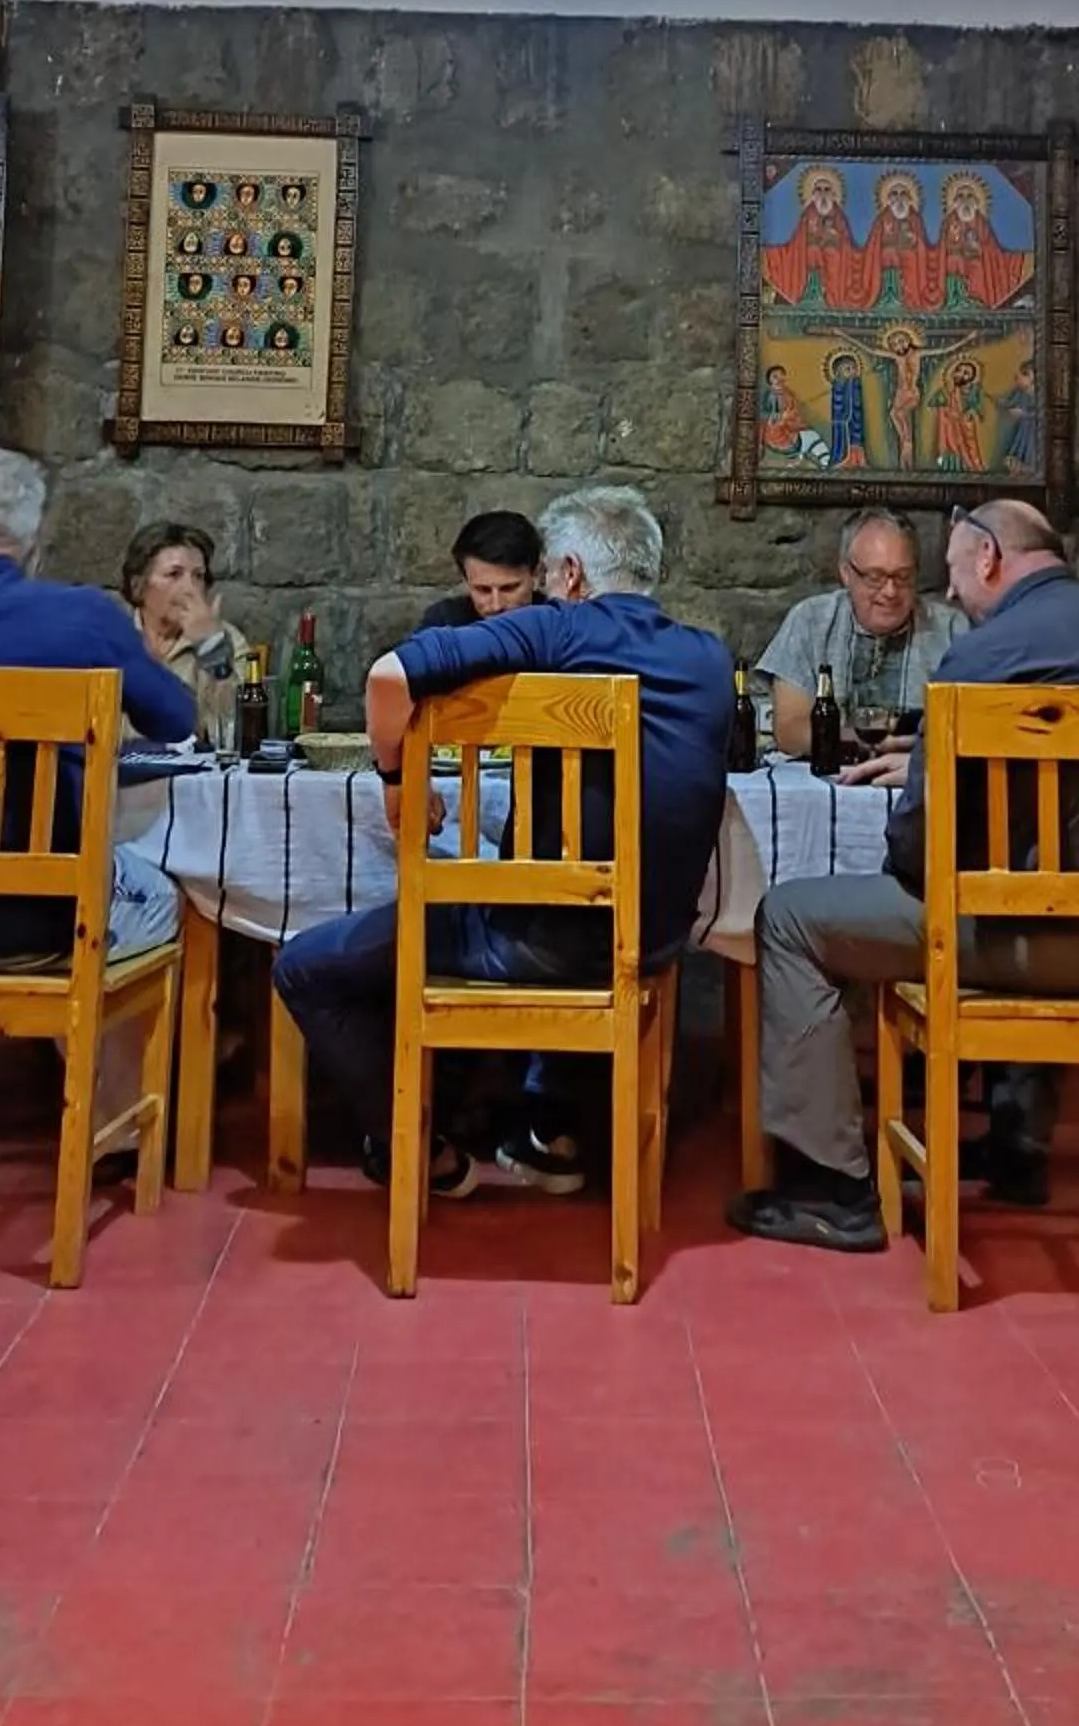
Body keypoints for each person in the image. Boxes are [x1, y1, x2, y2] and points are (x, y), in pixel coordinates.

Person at [730, 499, 1079, 1254]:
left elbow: (919, 851)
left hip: (1051, 950)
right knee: (1039, 877)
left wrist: (918, 815)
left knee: (790, 918)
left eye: (949, 574)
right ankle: (1018, 1147)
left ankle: (832, 1187)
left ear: (988, 559)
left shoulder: (988, 655)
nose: (947, 595)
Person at [274, 484, 734, 1200]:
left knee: (304, 967)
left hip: (543, 942)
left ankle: (420, 1151)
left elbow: (388, 676)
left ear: (572, 575)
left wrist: (396, 779)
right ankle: (541, 1129)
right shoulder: (710, 658)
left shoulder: (561, 633)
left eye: (548, 574)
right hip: (653, 940)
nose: (546, 587)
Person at [0, 451, 193, 1163]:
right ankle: (111, 1132)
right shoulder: (84, 618)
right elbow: (177, 719)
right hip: (44, 926)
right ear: (36, 538)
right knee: (162, 893)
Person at [758, 508, 964, 772]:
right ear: (846, 573)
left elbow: (974, 729)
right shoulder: (810, 621)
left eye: (903, 577)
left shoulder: (953, 631)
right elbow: (790, 732)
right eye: (875, 577)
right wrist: (867, 739)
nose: (890, 592)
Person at [119, 521, 247, 740]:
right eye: (174, 574)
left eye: (198, 576)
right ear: (138, 586)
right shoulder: (112, 636)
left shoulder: (227, 640)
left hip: (190, 771)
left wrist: (211, 648)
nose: (190, 588)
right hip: (115, 769)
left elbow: (235, 729)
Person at [420, 510, 543, 628]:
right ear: (466, 581)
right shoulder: (444, 621)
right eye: (483, 590)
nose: (496, 606)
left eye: (509, 588)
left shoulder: (558, 626)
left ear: (536, 576)